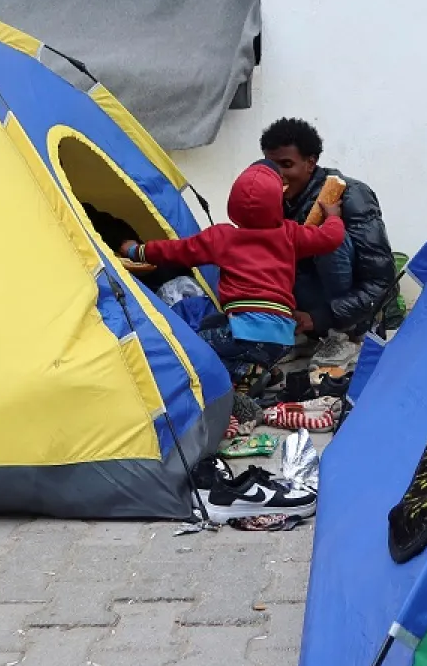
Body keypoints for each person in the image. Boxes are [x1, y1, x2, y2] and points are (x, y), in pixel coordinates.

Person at [122, 160, 344, 432]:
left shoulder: (222, 237)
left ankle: (241, 381)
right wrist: (332, 215)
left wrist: (136, 251)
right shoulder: (290, 233)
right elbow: (329, 238)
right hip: (282, 336)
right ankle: (262, 370)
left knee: (189, 350)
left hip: (243, 331)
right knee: (213, 327)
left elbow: (176, 250)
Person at [260, 117, 395, 369]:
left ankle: (345, 337)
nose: (278, 176)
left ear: (310, 163)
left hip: (349, 313)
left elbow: (382, 282)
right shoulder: (272, 198)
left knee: (329, 236)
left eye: (286, 164)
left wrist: (322, 317)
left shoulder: (352, 195)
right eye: (271, 166)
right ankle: (303, 335)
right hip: (304, 310)